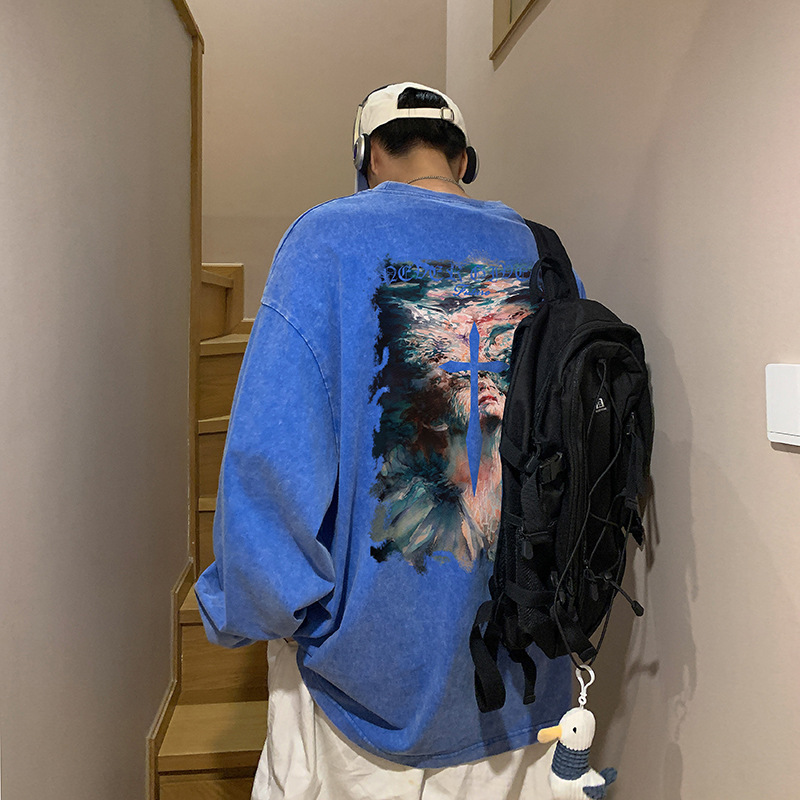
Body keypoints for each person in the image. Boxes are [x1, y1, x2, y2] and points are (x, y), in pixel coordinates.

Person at [195, 82, 586, 800]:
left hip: (368, 690)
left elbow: (270, 461)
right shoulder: (544, 253)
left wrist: (251, 608)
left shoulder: (325, 240)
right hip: (526, 678)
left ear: (370, 156)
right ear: (462, 160)